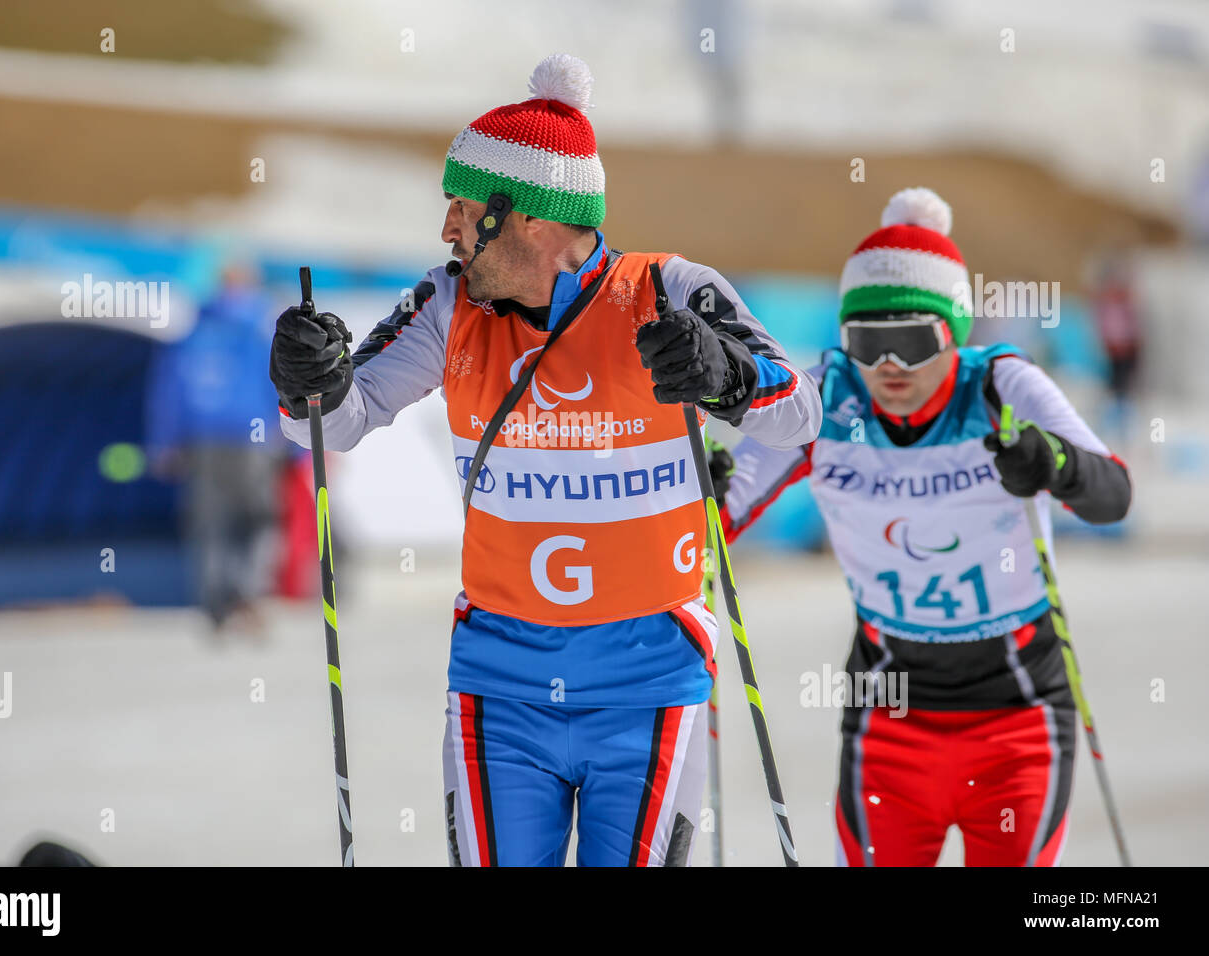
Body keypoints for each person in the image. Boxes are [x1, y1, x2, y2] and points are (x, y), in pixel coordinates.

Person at [269, 54, 821, 866]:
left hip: (648, 683)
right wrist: (304, 379)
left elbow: (798, 416)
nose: (447, 231)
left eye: (460, 209)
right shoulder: (447, 304)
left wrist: (723, 372)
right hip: (501, 687)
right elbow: (337, 422)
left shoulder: (668, 289)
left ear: (525, 216)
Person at [715, 188, 1132, 867]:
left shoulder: (1001, 385)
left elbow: (1113, 495)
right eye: (867, 343)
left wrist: (1052, 462)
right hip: (888, 725)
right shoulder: (825, 398)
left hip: (1017, 719)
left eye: (911, 342)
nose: (888, 368)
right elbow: (711, 525)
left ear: (954, 332)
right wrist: (706, 485)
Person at [145, 264, 286, 635]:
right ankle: (249, 594)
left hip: (204, 440)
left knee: (211, 524)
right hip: (254, 434)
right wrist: (301, 445)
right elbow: (284, 381)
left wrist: (163, 443)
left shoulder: (194, 330)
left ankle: (215, 604)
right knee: (259, 519)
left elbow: (169, 389)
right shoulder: (264, 326)